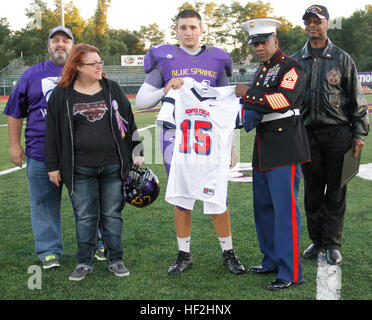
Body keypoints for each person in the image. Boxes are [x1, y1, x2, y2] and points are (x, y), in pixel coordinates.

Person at [136, 9, 245, 275]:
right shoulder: (164, 58)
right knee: (182, 198)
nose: (188, 33)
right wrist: (165, 88)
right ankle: (184, 254)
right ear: (176, 31)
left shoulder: (218, 59)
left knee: (217, 195)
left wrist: (231, 145)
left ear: (202, 29)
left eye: (193, 28)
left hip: (211, 140)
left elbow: (226, 107)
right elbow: (141, 102)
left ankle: (228, 252)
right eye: (183, 28)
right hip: (177, 139)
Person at [44, 43, 144, 281]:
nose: (100, 66)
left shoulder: (112, 89)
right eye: (93, 63)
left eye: (100, 62)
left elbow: (129, 121)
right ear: (78, 66)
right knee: (85, 216)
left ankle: (115, 259)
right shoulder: (61, 94)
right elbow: (52, 133)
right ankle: (84, 262)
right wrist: (53, 166)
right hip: (79, 168)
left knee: (112, 214)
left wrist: (137, 151)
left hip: (113, 166)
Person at [236, 18, 311, 290]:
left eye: (263, 42)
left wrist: (248, 95)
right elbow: (255, 108)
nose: (258, 47)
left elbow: (284, 100)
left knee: (285, 212)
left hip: (285, 146)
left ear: (275, 42)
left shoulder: (291, 67)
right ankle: (270, 261)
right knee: (263, 209)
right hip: (263, 147)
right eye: (254, 43)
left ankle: (290, 272)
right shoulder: (261, 70)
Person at [292, 5, 369, 266]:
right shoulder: (295, 61)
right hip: (306, 134)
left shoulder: (342, 58)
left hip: (338, 134)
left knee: (336, 190)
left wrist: (359, 133)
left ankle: (333, 244)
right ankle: (316, 240)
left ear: (327, 25)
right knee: (312, 191)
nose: (312, 25)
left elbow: (357, 101)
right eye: (308, 22)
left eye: (317, 21)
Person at [3, 26, 74, 269]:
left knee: (88, 203)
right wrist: (15, 145)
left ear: (72, 46)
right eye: (55, 40)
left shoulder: (81, 71)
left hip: (78, 154)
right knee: (44, 204)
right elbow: (14, 112)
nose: (60, 44)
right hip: (39, 151)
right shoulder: (31, 75)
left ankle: (95, 246)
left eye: (65, 41)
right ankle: (49, 252)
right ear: (49, 46)